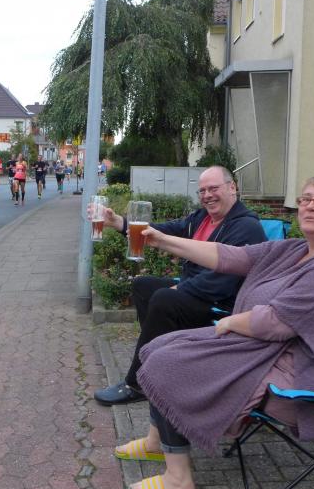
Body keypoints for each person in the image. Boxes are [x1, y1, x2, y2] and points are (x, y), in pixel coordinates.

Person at [114, 174, 314, 489]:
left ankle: (178, 482)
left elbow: (276, 323)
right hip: (266, 349)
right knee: (159, 346)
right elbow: (232, 257)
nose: (310, 206)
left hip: (305, 374)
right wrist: (161, 240)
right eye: (306, 198)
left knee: (169, 362)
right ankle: (157, 442)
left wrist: (231, 321)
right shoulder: (297, 250)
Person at [93, 166, 266, 405]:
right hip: (199, 293)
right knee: (143, 285)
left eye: (213, 188)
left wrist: (180, 289)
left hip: (224, 304)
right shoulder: (201, 218)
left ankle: (137, 384)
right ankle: (162, 356)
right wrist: (117, 222)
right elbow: (162, 231)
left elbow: (223, 281)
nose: (207, 195)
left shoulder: (246, 227)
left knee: (164, 298)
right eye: (202, 191)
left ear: (232, 187)